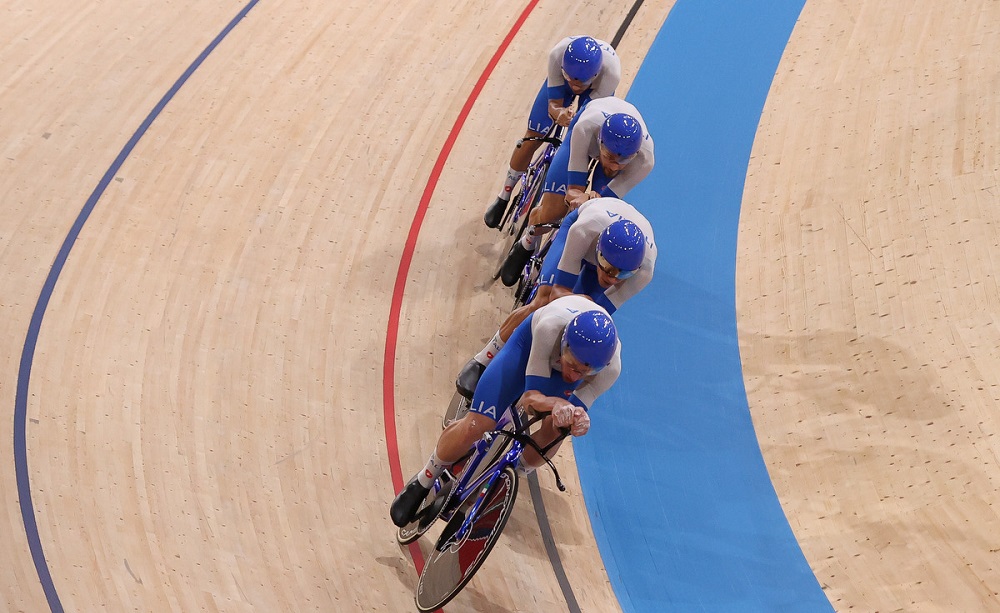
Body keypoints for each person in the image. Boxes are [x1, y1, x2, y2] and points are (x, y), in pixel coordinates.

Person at [390, 296, 621, 527]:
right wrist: (555, 403)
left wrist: (577, 420)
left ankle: (502, 479)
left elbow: (569, 415)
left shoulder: (610, 370)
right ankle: (424, 478)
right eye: (572, 366)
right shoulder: (550, 328)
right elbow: (529, 401)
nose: (574, 376)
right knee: (476, 426)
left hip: (559, 376)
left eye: (584, 373)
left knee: (558, 430)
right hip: (527, 350)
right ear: (565, 344)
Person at [458, 197, 655, 398]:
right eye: (608, 269)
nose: (612, 279)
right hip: (581, 240)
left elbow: (601, 312)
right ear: (599, 251)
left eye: (622, 274)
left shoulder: (643, 273)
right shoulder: (584, 229)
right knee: (544, 303)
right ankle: (484, 358)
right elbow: (559, 293)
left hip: (605, 252)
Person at [499, 96, 654, 287]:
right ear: (600, 143)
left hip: (612, 148)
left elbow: (606, 206)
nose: (615, 167)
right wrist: (579, 197)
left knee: (594, 222)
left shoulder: (644, 161)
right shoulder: (586, 128)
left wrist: (592, 201)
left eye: (623, 161)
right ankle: (529, 239)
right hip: (584, 138)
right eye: (610, 157)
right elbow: (573, 192)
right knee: (554, 211)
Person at [483, 35, 621, 229]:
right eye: (570, 79)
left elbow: (586, 121)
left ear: (596, 74)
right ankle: (504, 195)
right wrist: (558, 112)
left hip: (594, 93)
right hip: (567, 80)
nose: (574, 86)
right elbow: (553, 105)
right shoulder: (557, 54)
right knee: (533, 136)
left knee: (580, 140)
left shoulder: (610, 74)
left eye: (579, 83)